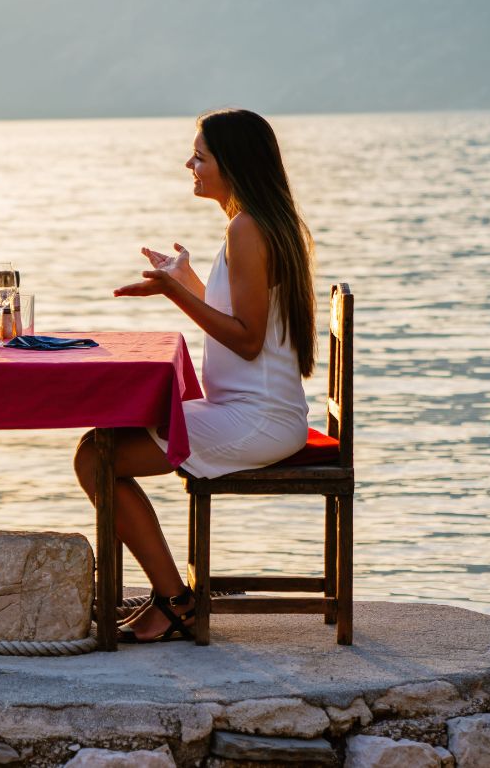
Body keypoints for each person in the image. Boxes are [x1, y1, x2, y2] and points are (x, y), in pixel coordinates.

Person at [73, 108, 316, 643]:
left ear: (232, 164)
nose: (191, 164)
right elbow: (247, 325)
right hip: (249, 410)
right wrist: (190, 283)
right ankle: (172, 596)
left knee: (97, 456)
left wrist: (175, 293)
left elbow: (247, 338)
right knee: (99, 447)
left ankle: (176, 603)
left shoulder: (248, 228)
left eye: (200, 157)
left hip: (258, 420)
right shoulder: (253, 224)